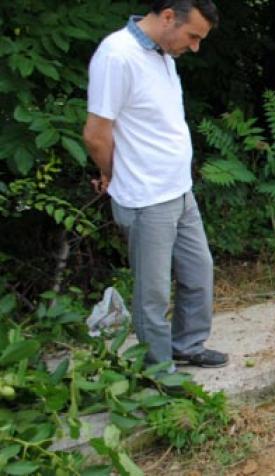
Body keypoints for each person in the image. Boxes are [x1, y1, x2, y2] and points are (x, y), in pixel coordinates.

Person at [83, 0, 229, 370]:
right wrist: (111, 174)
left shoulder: (163, 54)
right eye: (193, 35)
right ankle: (157, 369)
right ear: (167, 17)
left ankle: (188, 345)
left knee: (199, 273)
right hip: (146, 198)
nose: (195, 46)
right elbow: (97, 134)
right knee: (153, 292)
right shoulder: (117, 55)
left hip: (179, 191)